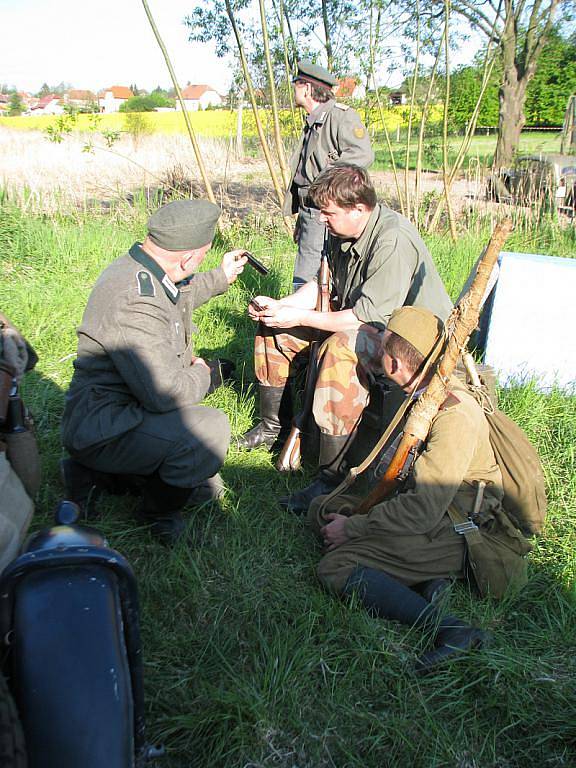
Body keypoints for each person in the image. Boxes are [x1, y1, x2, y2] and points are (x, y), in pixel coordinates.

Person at [308, 306, 529, 673]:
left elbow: (422, 509)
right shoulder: (422, 392)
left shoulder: (454, 415)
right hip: (425, 510)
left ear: (394, 364)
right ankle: (423, 580)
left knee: (336, 565)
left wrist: (353, 528)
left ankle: (452, 629)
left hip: (455, 528)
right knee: (321, 508)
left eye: (382, 350)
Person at [239, 165, 453, 514]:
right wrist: (282, 308)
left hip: (414, 343)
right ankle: (271, 426)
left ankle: (331, 477)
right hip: (370, 322)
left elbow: (364, 317)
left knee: (340, 348)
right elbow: (326, 286)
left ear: (359, 209)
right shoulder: (340, 230)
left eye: (329, 212)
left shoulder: (392, 239)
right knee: (274, 328)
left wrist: (302, 317)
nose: (322, 219)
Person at [60, 199, 247, 542]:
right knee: (210, 431)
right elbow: (168, 393)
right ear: (188, 258)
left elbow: (180, 292)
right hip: (104, 425)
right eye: (202, 256)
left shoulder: (141, 268)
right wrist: (205, 372)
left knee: (205, 473)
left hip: (117, 409)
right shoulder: (137, 299)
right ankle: (156, 510)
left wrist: (222, 276)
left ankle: (105, 474)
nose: (199, 263)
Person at [285, 60, 374, 289]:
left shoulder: (340, 117)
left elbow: (362, 155)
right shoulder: (313, 121)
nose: (293, 89)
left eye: (296, 84)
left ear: (306, 89)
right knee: (309, 276)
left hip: (327, 208)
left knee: (310, 279)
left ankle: (307, 323)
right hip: (310, 210)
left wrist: (327, 181)